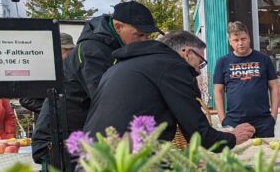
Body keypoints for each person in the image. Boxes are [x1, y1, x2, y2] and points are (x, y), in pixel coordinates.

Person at [33, 1, 162, 168]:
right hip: (60, 143)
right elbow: (109, 101)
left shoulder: (113, 49)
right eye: (139, 35)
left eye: (147, 35)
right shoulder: (92, 51)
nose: (144, 41)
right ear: (118, 27)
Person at [85, 30, 254, 149]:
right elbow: (198, 133)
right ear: (187, 53)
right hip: (123, 159)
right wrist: (232, 138)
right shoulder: (172, 67)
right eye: (200, 62)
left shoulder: (123, 65)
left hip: (93, 153)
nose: (198, 70)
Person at [212, 21, 279, 139]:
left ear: (249, 38)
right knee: (238, 156)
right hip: (234, 122)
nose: (240, 43)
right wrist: (223, 119)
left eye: (243, 39)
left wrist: (273, 117)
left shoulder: (264, 59)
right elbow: (218, 91)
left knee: (265, 156)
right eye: (236, 40)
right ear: (230, 42)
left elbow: (274, 87)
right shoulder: (222, 62)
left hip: (263, 122)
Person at [20, 32, 74, 115]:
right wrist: (56, 111)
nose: (69, 53)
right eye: (66, 50)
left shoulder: (67, 67)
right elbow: (26, 100)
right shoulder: (42, 70)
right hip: (49, 123)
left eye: (71, 50)